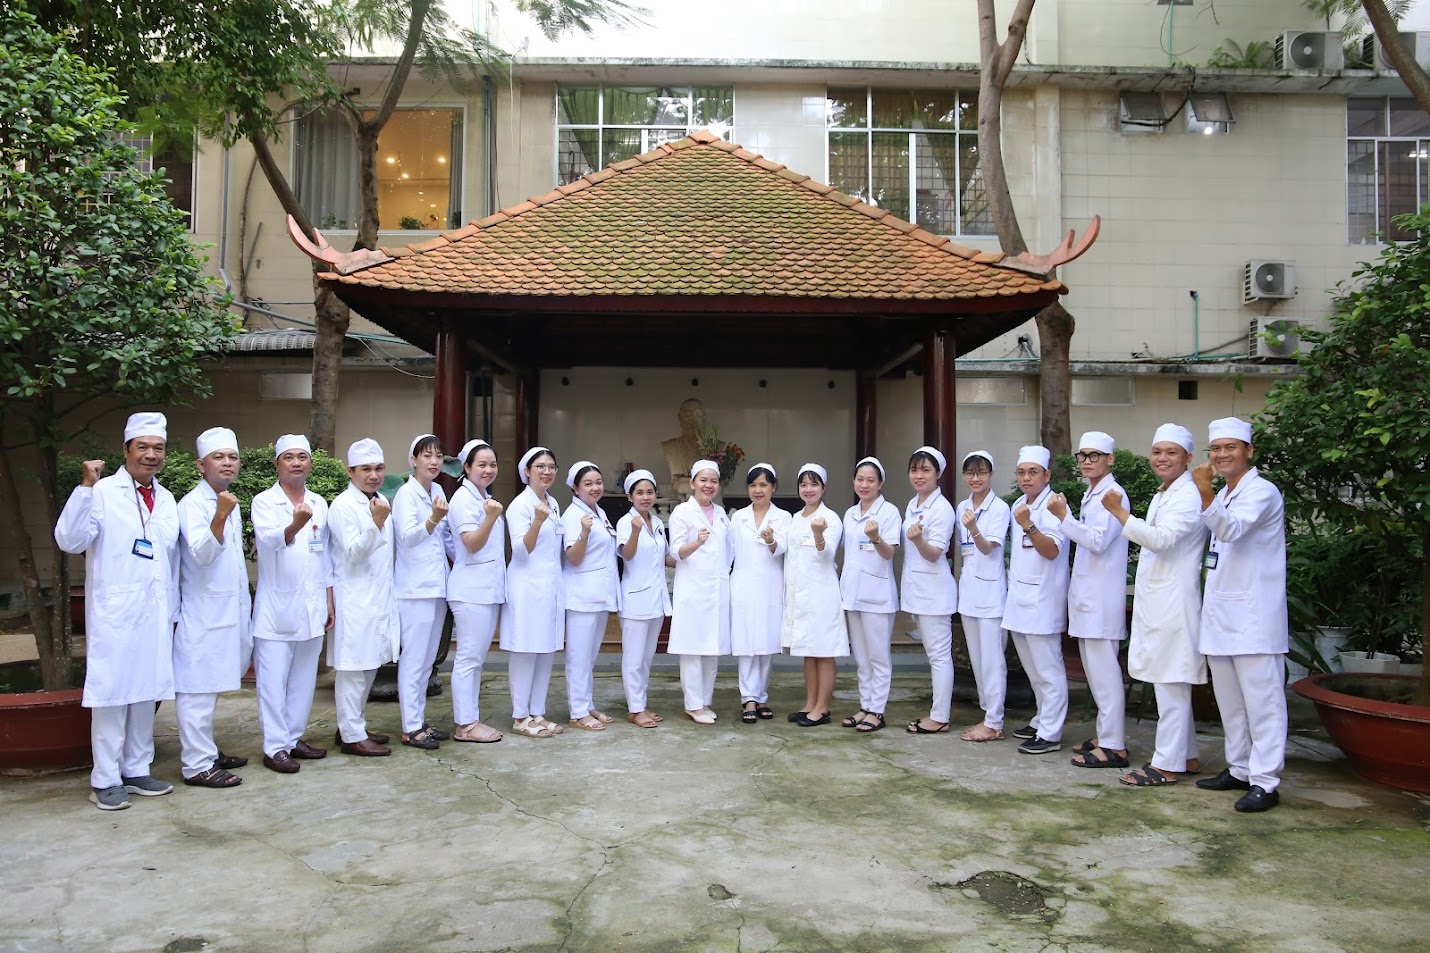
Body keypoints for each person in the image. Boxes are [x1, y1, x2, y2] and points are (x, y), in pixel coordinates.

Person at [55, 412, 179, 810]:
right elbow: (70, 540)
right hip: (115, 612)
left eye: (158, 448)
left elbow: (169, 557)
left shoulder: (166, 498)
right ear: (125, 450)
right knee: (112, 695)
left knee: (145, 692)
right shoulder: (103, 492)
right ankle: (105, 778)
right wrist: (85, 488)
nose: (151, 455)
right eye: (142, 447)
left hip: (154, 611)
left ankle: (137, 769)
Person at [1104, 424, 1209, 787]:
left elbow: (1161, 540)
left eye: (1171, 452)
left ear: (1188, 458)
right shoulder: (1165, 493)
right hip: (1160, 600)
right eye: (1157, 451)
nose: (1162, 458)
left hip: (1175, 602)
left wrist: (1120, 513)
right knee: (1169, 682)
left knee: (1171, 683)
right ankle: (1187, 755)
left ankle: (1166, 765)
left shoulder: (1188, 495)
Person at [1193, 417, 1289, 813]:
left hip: (1254, 617)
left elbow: (1230, 530)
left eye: (1230, 447)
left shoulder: (1261, 492)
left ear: (1249, 450)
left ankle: (1266, 782)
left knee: (1263, 703)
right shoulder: (1226, 493)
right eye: (1216, 448)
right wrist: (1210, 493)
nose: (1221, 455)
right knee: (1230, 703)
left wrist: (1203, 490)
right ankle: (1240, 768)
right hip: (1221, 614)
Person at [250, 434, 334, 774]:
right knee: (273, 682)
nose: (296, 462)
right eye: (289, 457)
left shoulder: (319, 502)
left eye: (302, 456)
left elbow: (324, 554)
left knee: (303, 678)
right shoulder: (264, 501)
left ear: (310, 462)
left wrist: (329, 599)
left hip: (313, 605)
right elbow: (270, 540)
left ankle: (294, 737)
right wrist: (295, 524)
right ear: (277, 464)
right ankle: (274, 747)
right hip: (276, 609)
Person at [172, 427, 251, 789]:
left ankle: (207, 751)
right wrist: (219, 515)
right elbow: (202, 555)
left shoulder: (226, 501)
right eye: (218, 457)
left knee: (212, 685)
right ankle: (197, 765)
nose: (227, 463)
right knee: (197, 690)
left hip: (227, 611)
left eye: (232, 457)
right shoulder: (193, 504)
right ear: (201, 465)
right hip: (203, 613)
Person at [1049, 432, 1130, 769]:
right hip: (1088, 597)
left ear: (1110, 460)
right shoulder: (1092, 494)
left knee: (1105, 674)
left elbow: (1097, 542)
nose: (1086, 461)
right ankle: (1104, 736)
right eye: (1082, 455)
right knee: (1096, 674)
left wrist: (1063, 518)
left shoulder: (1113, 495)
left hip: (1101, 599)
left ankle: (1114, 746)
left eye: (1094, 455)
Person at [328, 438, 400, 757]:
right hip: (354, 598)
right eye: (366, 469)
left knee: (369, 664)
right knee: (353, 669)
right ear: (350, 471)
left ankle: (352, 725)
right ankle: (351, 735)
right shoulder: (343, 506)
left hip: (378, 596)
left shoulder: (379, 501)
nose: (374, 475)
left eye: (379, 468)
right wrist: (376, 524)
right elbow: (355, 553)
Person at [1005, 445, 1071, 755]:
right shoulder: (1019, 503)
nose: (1026, 478)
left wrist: (1028, 526)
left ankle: (1051, 733)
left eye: (1033, 472)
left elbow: (1052, 550)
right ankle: (1041, 719)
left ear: (1047, 475)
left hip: (1043, 598)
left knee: (1048, 670)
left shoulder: (1054, 505)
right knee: (1032, 670)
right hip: (1020, 597)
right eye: (1021, 472)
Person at [392, 434, 454, 750]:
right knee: (414, 659)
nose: (433, 461)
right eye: (427, 455)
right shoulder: (405, 494)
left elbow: (445, 538)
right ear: (413, 460)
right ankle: (410, 727)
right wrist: (433, 519)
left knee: (428, 659)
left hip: (437, 584)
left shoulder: (438, 490)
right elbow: (407, 538)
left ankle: (419, 720)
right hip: (414, 588)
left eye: (438, 456)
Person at [501, 447, 567, 738]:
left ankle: (537, 712)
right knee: (525, 650)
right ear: (527, 471)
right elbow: (520, 551)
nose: (547, 471)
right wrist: (537, 522)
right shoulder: (520, 505)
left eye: (551, 466)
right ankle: (520, 715)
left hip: (550, 585)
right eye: (540, 466)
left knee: (545, 649)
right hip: (526, 586)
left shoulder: (553, 503)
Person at [446, 438, 505, 744]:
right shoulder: (463, 499)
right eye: (481, 464)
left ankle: (470, 719)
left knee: (475, 658)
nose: (488, 469)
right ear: (466, 467)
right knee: (469, 658)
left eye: (492, 464)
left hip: (485, 589)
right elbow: (471, 543)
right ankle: (466, 724)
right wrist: (491, 517)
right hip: (471, 591)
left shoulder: (482, 497)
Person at [781, 464, 849, 727]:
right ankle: (809, 703)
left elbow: (827, 553)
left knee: (824, 651)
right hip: (800, 594)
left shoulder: (831, 518)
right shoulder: (795, 518)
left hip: (822, 593)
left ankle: (822, 707)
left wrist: (819, 534)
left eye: (814, 484)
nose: (808, 489)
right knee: (808, 652)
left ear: (823, 487)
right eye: (804, 485)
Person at [667, 460, 734, 724]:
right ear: (693, 483)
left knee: (712, 648)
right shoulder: (682, 512)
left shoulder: (721, 513)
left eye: (713, 481)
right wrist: (696, 542)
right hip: (693, 589)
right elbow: (675, 552)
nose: (708, 485)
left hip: (717, 589)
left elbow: (729, 551)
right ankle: (693, 705)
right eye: (703, 480)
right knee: (693, 648)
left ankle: (705, 701)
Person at [954, 451, 1012, 743]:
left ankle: (994, 721)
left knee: (992, 660)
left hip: (991, 595)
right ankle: (987, 714)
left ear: (991, 475)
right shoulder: (962, 507)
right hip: (969, 591)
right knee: (977, 660)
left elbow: (989, 548)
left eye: (981, 473)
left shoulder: (1000, 508)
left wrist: (974, 529)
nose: (975, 478)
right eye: (970, 473)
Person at [838, 457, 899, 733]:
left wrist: (876, 538)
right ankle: (865, 705)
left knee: (878, 657)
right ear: (853, 481)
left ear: (880, 483)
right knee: (861, 658)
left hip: (877, 595)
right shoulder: (850, 514)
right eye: (860, 479)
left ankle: (878, 710)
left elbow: (889, 553)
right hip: (852, 593)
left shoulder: (889, 512)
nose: (865, 485)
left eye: (870, 480)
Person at [901, 446, 958, 735]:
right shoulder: (914, 504)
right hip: (918, 590)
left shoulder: (942, 508)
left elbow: (935, 553)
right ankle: (938, 713)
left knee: (939, 656)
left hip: (935, 593)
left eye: (925, 470)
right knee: (933, 655)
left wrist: (919, 540)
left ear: (938, 474)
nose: (919, 475)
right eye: (914, 469)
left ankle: (940, 716)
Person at [562, 461, 620, 731]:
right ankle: (577, 712)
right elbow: (573, 557)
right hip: (581, 596)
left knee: (590, 656)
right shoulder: (573, 516)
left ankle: (586, 704)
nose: (595, 487)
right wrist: (584, 533)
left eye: (598, 482)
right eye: (588, 484)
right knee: (578, 656)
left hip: (598, 594)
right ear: (575, 488)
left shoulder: (599, 512)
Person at [729, 463, 789, 724]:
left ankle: (762, 697)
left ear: (773, 487)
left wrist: (771, 540)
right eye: (753, 485)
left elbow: (782, 548)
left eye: (763, 484)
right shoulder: (737, 517)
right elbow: (729, 552)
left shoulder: (784, 517)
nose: (758, 490)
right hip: (742, 585)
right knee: (746, 645)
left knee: (766, 644)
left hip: (770, 585)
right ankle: (748, 699)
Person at [615, 469, 672, 728]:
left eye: (650, 492)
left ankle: (641, 704)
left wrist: (693, 551)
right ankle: (635, 709)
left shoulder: (657, 522)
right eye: (640, 492)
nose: (645, 497)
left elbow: (666, 557)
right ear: (630, 497)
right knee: (633, 658)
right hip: (635, 600)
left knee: (647, 658)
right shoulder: (625, 522)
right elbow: (626, 554)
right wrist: (636, 532)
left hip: (656, 599)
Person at [660, 398, 723, 500]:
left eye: (697, 414)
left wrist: (682, 482)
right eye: (687, 415)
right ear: (679, 418)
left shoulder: (718, 447)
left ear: (704, 418)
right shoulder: (670, 447)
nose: (692, 420)